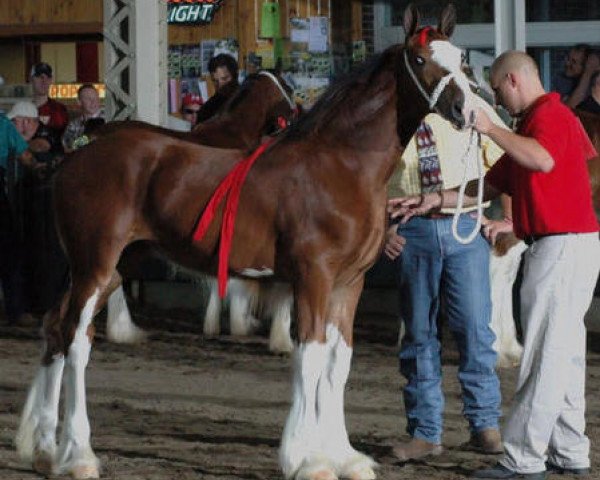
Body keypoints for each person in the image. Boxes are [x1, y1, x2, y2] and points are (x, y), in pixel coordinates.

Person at [389, 50, 599, 479]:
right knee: (565, 357)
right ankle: (569, 451)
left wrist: (490, 127)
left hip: (561, 248)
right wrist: (435, 199)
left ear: (514, 80)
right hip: (568, 245)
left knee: (544, 356)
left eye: (499, 89)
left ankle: (523, 459)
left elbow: (542, 159)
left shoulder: (550, 118)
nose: (498, 100)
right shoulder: (543, 122)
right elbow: (490, 184)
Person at [385, 95, 507, 462]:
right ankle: (425, 434)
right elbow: (366, 179)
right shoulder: (393, 119)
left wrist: (505, 221)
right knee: (420, 334)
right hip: (411, 229)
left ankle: (485, 425)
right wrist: (382, 230)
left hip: (464, 226)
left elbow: (502, 169)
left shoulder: (473, 109)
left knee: (475, 330)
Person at [8, 101, 68, 316]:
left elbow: (42, 145)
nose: (15, 127)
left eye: (16, 122)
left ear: (29, 121)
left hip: (45, 218)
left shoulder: (48, 136)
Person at [0, 111, 38, 325]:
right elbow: (26, 157)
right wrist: (39, 168)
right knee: (10, 252)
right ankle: (16, 310)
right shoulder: (3, 124)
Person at [30, 62, 68, 144]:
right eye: (40, 77)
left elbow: (69, 141)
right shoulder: (23, 110)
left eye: (48, 77)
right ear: (31, 79)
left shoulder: (60, 110)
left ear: (51, 81)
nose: (44, 81)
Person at [552, 44, 600, 109]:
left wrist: (589, 71)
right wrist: (587, 73)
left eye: (574, 62)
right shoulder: (561, 80)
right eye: (568, 59)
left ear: (585, 66)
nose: (567, 63)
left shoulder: (595, 80)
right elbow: (569, 107)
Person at [197, 53, 240, 123]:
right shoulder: (208, 108)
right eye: (215, 81)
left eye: (225, 79)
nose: (220, 85)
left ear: (235, 76)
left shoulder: (248, 100)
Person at [62, 83, 104, 152]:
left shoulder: (109, 118)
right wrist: (87, 139)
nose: (93, 102)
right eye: (88, 98)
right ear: (79, 102)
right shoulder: (74, 124)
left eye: (95, 97)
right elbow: (67, 144)